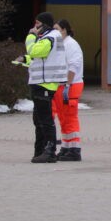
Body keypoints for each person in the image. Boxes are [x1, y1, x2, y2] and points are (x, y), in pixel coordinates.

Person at [24, 11, 68, 163]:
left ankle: (49, 151)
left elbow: (34, 50)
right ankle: (41, 150)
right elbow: (40, 57)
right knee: (39, 118)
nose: (35, 28)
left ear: (45, 25)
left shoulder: (50, 37)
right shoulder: (49, 37)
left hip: (45, 83)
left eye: (37, 24)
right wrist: (26, 59)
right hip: (42, 82)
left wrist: (31, 36)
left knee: (45, 119)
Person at [51, 19, 85, 161]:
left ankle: (74, 149)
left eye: (57, 29)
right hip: (63, 85)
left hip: (70, 85)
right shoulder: (62, 44)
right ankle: (66, 146)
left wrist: (67, 85)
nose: (55, 32)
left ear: (64, 30)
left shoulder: (71, 44)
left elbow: (73, 65)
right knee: (63, 117)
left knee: (70, 116)